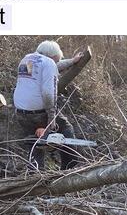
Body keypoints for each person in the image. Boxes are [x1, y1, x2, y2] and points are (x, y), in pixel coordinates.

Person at [12, 40, 85, 171]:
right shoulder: (48, 63)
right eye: (56, 59)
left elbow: (54, 66)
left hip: (21, 113)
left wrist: (72, 61)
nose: (56, 62)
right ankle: (69, 169)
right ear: (51, 56)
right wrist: (51, 118)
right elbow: (48, 93)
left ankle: (35, 175)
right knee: (66, 129)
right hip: (39, 112)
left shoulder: (28, 59)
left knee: (35, 144)